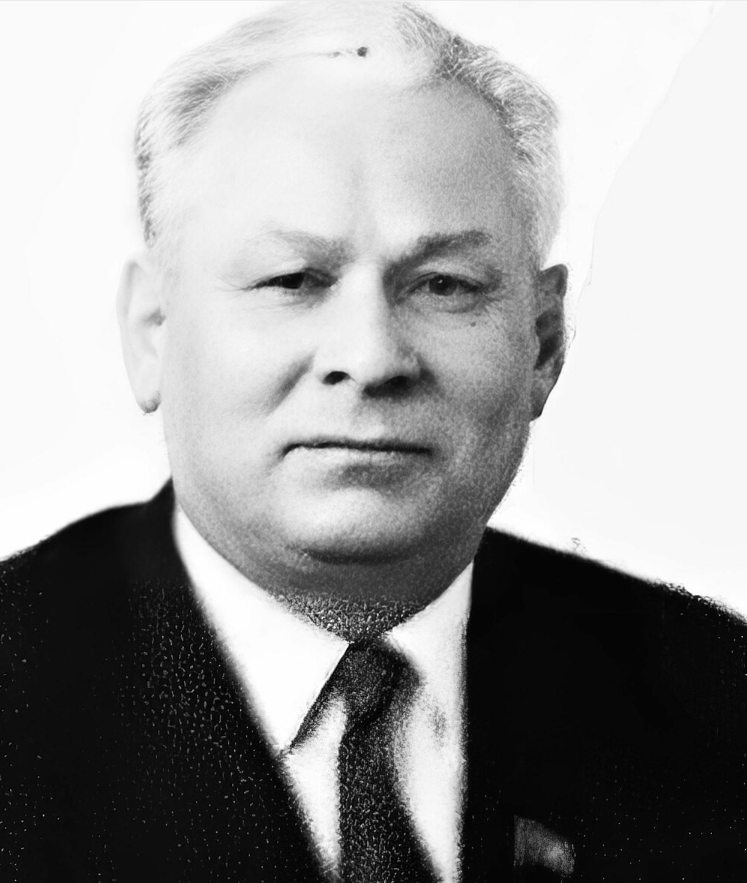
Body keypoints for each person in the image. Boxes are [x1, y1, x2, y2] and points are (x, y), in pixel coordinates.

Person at [1, 2, 745, 881]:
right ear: (153, 329)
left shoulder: (716, 702)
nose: (370, 357)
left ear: (543, 342)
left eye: (442, 284)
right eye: (292, 280)